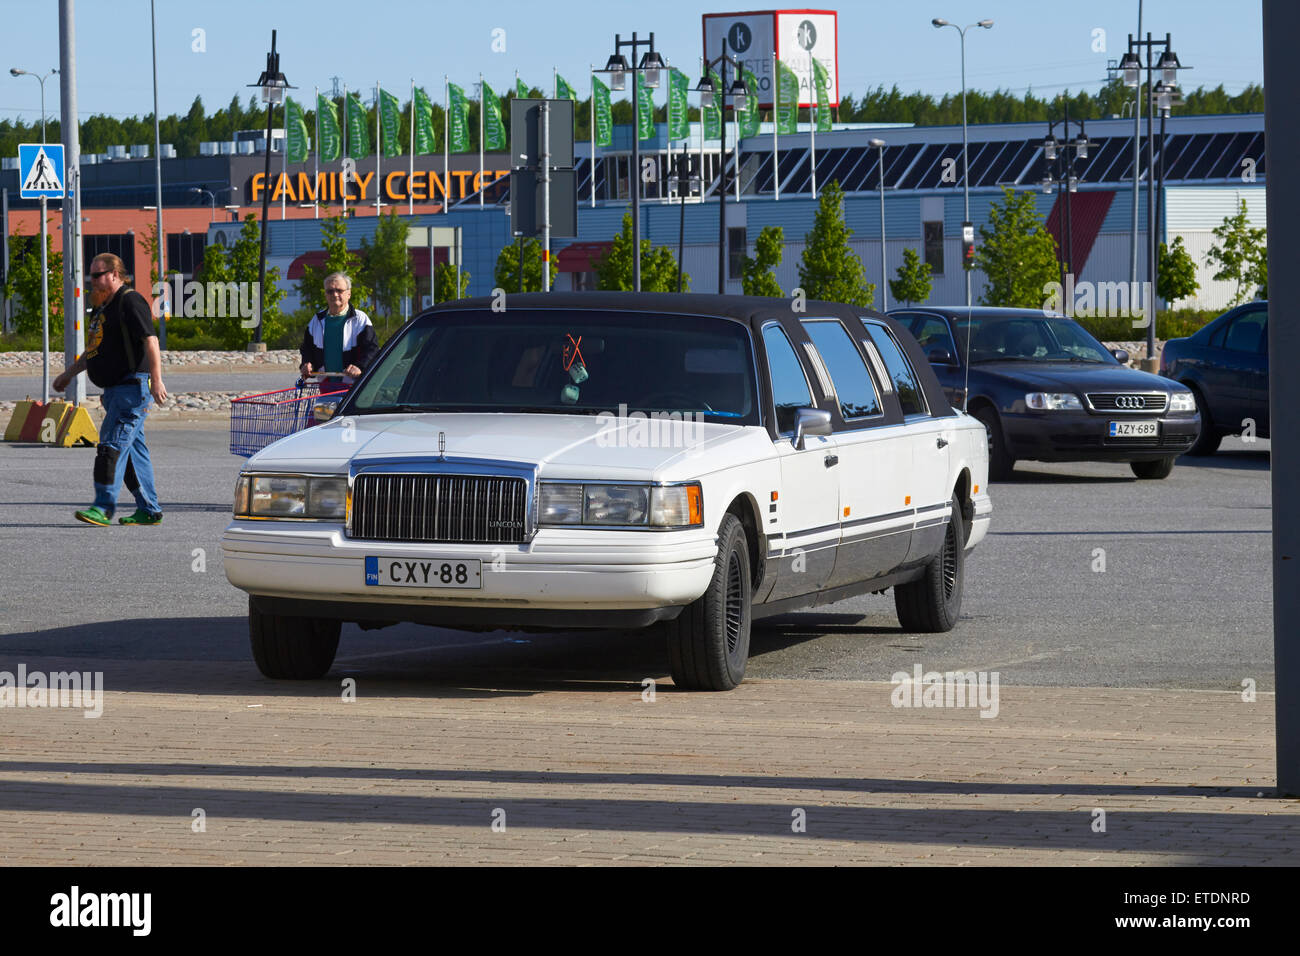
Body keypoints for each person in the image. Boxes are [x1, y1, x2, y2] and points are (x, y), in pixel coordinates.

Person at [53, 253, 167, 526]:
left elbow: (151, 341)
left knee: (111, 447)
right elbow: (94, 351)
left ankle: (102, 507)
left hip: (132, 389)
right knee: (132, 453)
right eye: (90, 275)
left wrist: (157, 380)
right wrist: (68, 375)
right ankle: (149, 509)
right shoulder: (104, 308)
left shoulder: (130, 301)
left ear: (115, 274)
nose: (93, 281)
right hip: (116, 392)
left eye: (97, 275)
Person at [299, 272, 378, 390]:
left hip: (354, 387)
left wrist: (360, 367)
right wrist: (307, 364)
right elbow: (307, 348)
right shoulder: (316, 320)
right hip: (325, 385)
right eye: (330, 291)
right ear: (325, 295)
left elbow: (372, 349)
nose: (335, 294)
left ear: (349, 293)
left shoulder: (360, 319)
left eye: (339, 290)